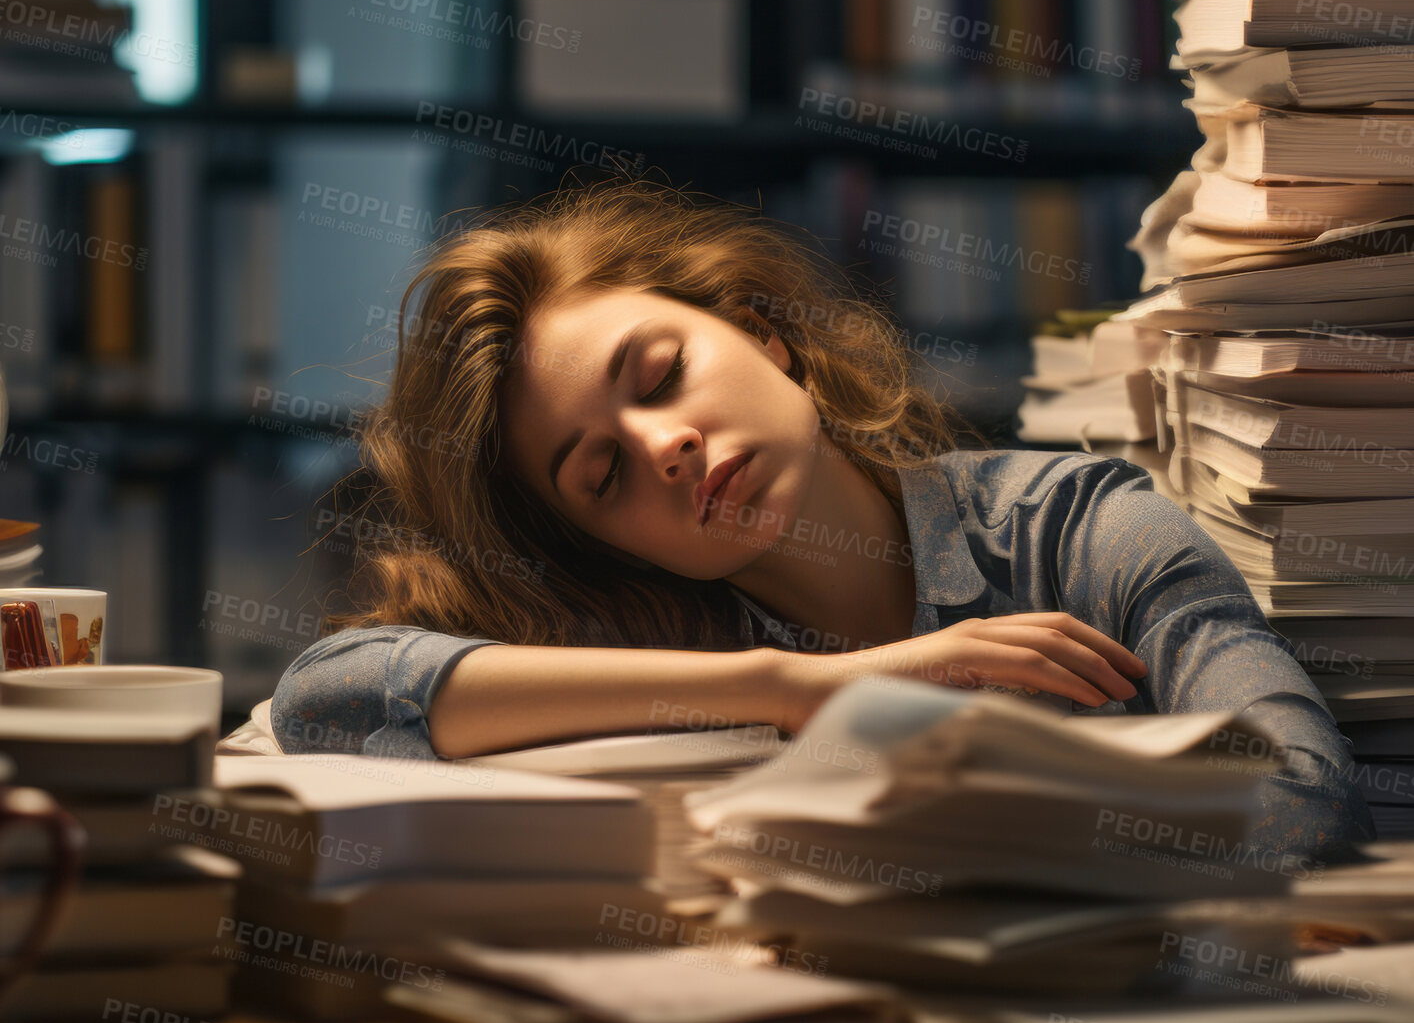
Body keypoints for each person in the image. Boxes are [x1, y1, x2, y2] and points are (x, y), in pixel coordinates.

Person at [272, 177, 1373, 859]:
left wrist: (963, 835)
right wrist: (792, 689)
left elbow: (1304, 797)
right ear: (599, 537)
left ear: (762, 334)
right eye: (600, 475)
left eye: (659, 375)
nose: (665, 449)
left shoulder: (1072, 532)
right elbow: (326, 698)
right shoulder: (656, 637)